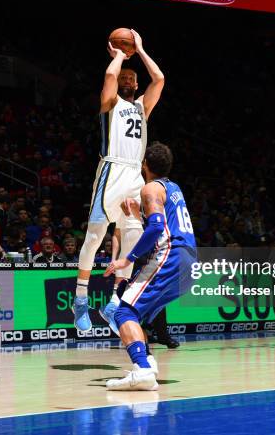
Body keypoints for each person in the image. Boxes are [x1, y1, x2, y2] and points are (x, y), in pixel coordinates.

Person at [74, 29, 165, 332]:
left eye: (131, 78)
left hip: (134, 175)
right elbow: (109, 79)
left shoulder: (142, 106)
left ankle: (114, 300)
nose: (127, 80)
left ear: (136, 84)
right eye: (124, 77)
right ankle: (81, 299)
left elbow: (160, 79)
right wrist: (118, 57)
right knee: (95, 236)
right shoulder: (110, 104)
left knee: (135, 236)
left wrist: (138, 49)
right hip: (111, 170)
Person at [103, 142, 196, 390]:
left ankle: (142, 369)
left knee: (123, 312)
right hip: (190, 259)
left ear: (144, 164)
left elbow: (156, 229)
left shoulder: (150, 188)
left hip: (171, 255)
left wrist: (127, 258)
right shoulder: (173, 188)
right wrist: (137, 215)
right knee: (137, 311)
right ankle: (149, 363)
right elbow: (161, 224)